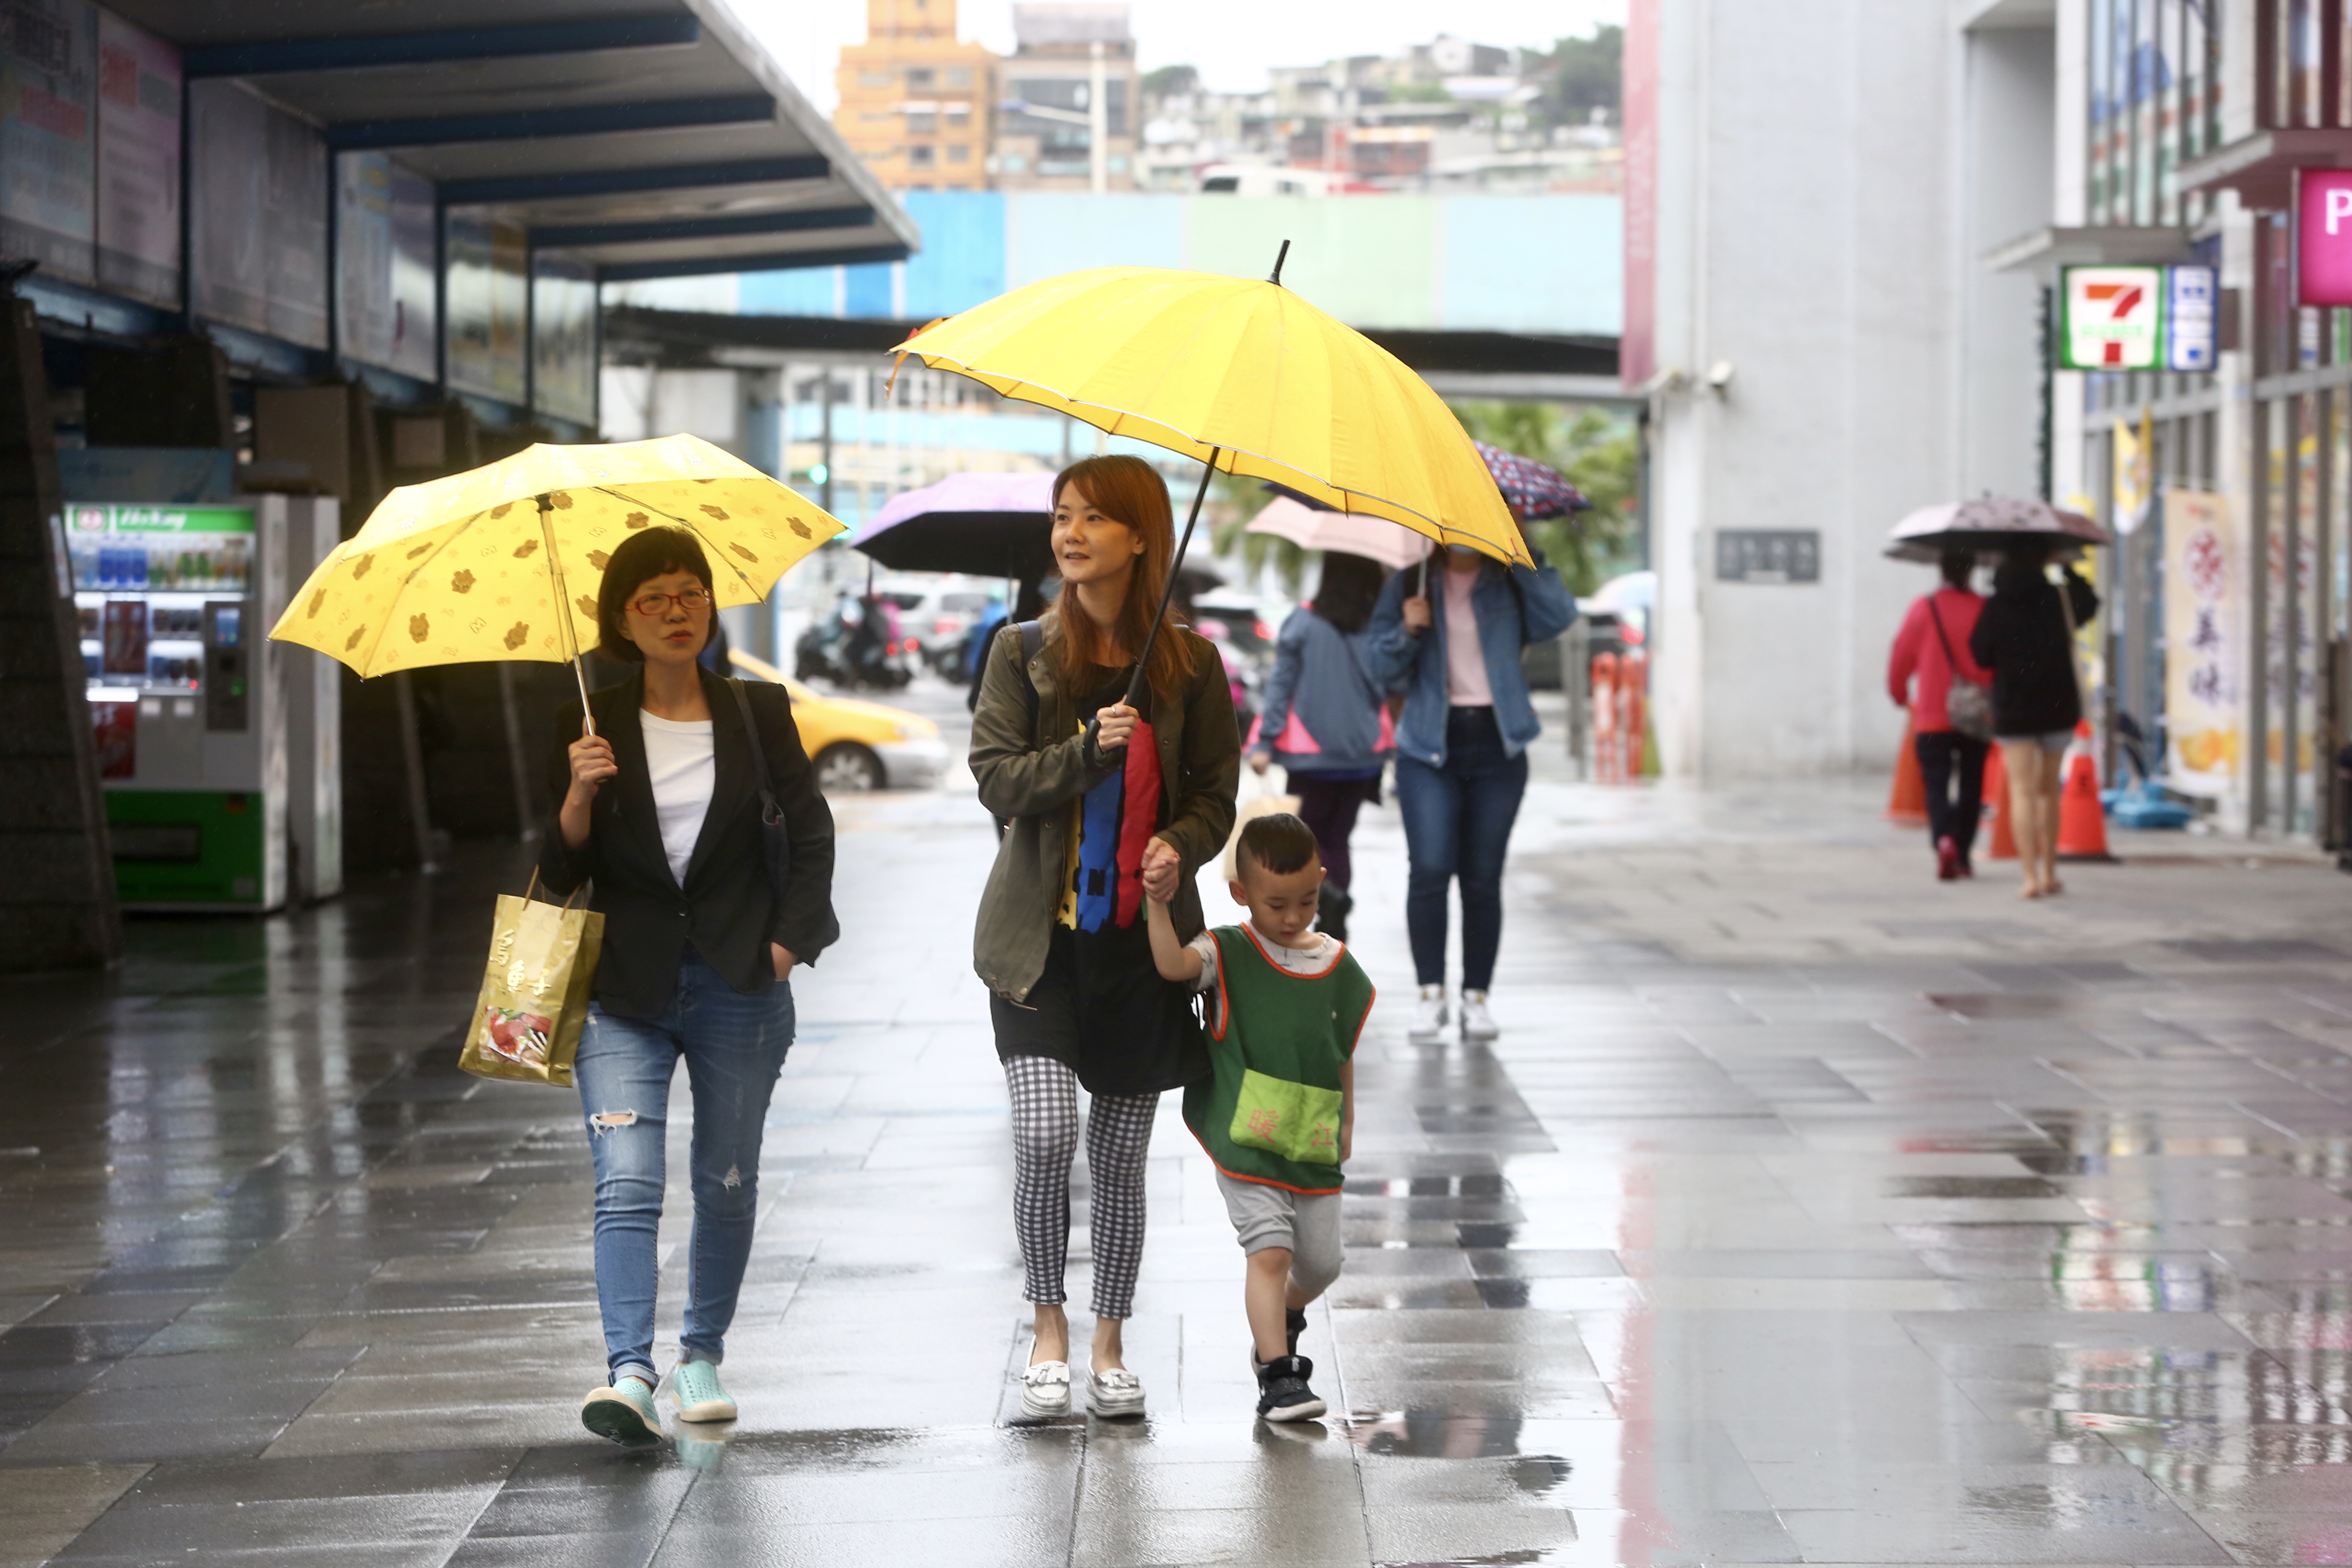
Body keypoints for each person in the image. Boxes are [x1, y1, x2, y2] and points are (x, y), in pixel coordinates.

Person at [540, 525, 839, 1446]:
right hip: (624, 993)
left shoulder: (758, 709)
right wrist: (579, 798)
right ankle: (629, 1374)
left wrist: (786, 947)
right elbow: (555, 873)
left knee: (728, 1180)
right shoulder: (594, 721)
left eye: (691, 593)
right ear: (621, 621)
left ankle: (699, 1355)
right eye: (654, 599)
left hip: (739, 982)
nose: (677, 613)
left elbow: (814, 836)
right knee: (626, 1183)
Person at [967, 454, 1240, 1422]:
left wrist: (1178, 844)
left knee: (1120, 1160)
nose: (1068, 533)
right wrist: (1089, 750)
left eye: (1090, 518)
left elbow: (1215, 796)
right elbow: (997, 777)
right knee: (1043, 1135)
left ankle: (1109, 1340)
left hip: (1140, 949)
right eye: (1060, 516)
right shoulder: (1020, 650)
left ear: (1139, 537)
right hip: (1040, 948)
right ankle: (1046, 1329)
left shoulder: (1194, 665)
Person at [1145, 812, 1370, 1423]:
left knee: (1322, 1264)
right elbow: (1171, 967)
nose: (1293, 917)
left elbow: (1341, 1047)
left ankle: (1285, 1317)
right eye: (1276, 905)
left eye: (1306, 900)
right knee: (1269, 1251)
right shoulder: (1228, 951)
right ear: (1242, 895)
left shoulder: (1338, 966)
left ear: (1322, 882)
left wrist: (1347, 1122)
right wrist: (1158, 905)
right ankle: (1279, 1376)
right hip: (1247, 1138)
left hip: (1313, 1136)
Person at [1365, 534, 1576, 1044]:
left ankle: (1476, 998)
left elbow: (1558, 616)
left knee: (1482, 878)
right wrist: (1408, 631)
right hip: (1428, 746)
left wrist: (1527, 553)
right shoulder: (1410, 584)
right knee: (1432, 869)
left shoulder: (1510, 583)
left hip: (1498, 744)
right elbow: (1378, 667)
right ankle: (1430, 995)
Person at [1248, 552, 1393, 942]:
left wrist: (1264, 740)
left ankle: (1325, 900)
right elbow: (1388, 685)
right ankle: (1337, 899)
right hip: (1362, 754)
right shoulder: (1378, 627)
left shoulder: (1303, 621)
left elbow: (1281, 685)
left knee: (1308, 841)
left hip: (1310, 754)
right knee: (1338, 840)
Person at [1969, 541, 2099, 899]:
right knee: (2048, 793)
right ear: (2044, 559)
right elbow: (2090, 603)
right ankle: (2050, 872)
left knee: (2021, 792)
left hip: (2014, 708)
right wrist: (2068, 567)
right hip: (2057, 706)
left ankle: (2029, 877)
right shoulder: (2058, 598)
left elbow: (1980, 654)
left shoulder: (1997, 605)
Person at [1887, 548, 1992, 880]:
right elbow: (1994, 660)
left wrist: (1900, 693)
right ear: (1971, 572)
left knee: (1936, 782)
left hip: (1933, 713)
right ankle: (1963, 854)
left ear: (1941, 571)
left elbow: (1901, 653)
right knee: (1972, 784)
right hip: (1976, 713)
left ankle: (1944, 840)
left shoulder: (1924, 608)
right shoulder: (1983, 608)